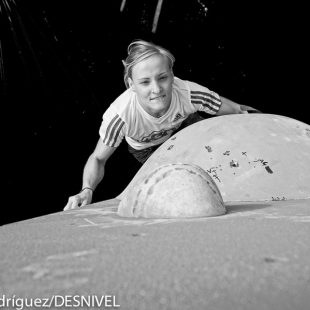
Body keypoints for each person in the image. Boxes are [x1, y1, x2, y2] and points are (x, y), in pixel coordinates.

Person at [64, 40, 260, 210]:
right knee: (178, 188)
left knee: (217, 158)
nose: (156, 89)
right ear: (131, 84)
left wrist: (263, 125)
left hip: (185, 128)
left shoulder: (188, 93)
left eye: (162, 78)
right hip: (148, 150)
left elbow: (235, 110)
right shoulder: (120, 116)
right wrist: (86, 190)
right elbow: (98, 158)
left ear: (172, 75)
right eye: (145, 82)